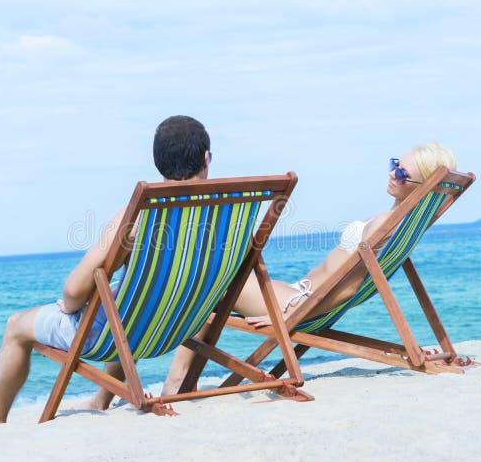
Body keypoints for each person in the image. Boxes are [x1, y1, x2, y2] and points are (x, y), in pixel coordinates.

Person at [160, 142, 457, 395]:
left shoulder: (386, 226)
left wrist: (288, 317)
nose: (393, 174)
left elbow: (349, 287)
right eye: (395, 165)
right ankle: (183, 381)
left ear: (421, 188)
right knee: (217, 281)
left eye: (403, 174)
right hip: (297, 294)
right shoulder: (396, 220)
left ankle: (176, 383)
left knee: (208, 283)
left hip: (296, 304)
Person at [0, 115, 212, 423]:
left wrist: (70, 306)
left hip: (130, 332)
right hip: (178, 327)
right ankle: (102, 399)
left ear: (158, 164)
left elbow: (75, 290)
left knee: (15, 326)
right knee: (123, 299)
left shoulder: (141, 216)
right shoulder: (227, 216)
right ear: (206, 159)